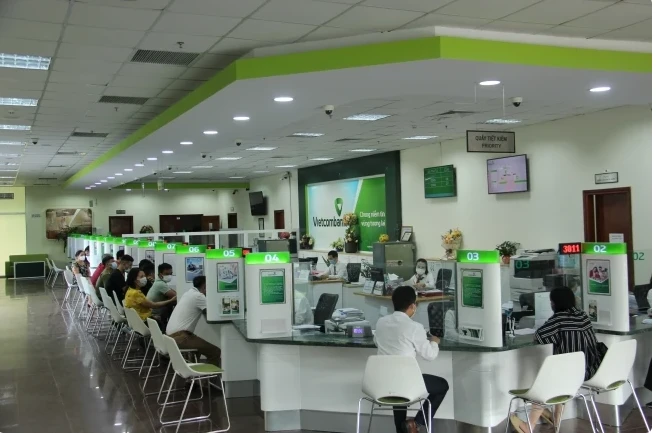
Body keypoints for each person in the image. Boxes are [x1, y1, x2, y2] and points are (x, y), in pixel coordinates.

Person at [510, 287, 602, 433]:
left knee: (546, 383)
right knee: (560, 377)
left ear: (554, 303)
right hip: (591, 368)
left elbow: (539, 336)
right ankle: (557, 419)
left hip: (571, 373)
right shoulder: (583, 315)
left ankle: (529, 426)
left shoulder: (558, 320)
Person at [374, 286, 449, 433]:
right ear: (412, 306)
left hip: (383, 382)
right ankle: (417, 422)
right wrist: (434, 341)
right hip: (406, 383)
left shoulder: (381, 322)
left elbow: (377, 341)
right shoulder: (415, 327)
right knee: (442, 385)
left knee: (397, 387)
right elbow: (430, 355)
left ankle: (402, 429)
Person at [167, 276, 222, 367]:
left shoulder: (189, 293)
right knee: (215, 351)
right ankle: (209, 378)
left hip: (171, 336)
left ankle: (195, 378)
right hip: (181, 337)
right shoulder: (198, 296)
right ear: (205, 286)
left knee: (198, 348)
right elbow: (211, 314)